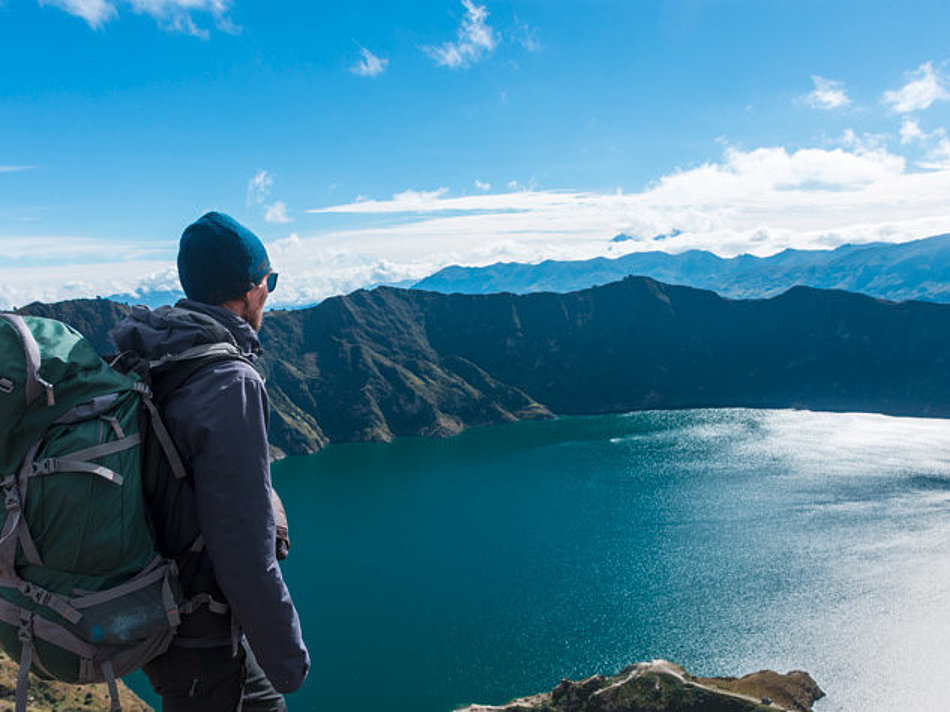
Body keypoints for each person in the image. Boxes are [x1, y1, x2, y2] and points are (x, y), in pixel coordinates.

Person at [110, 211, 309, 711]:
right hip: (197, 634)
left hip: (155, 606)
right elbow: (244, 547)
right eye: (270, 281)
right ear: (248, 289)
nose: (270, 293)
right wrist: (288, 659)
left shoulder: (153, 349)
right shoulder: (228, 381)